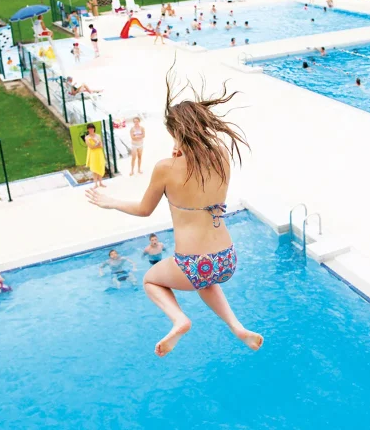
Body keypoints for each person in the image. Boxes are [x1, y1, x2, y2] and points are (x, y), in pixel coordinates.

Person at [85, 66, 263, 357]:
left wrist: (112, 202)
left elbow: (144, 210)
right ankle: (237, 326)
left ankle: (179, 319)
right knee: (206, 282)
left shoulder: (165, 168)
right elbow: (200, 165)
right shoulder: (222, 157)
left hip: (192, 263)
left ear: (177, 134)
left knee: (151, 280)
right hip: (227, 258)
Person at [85, 124, 106, 189]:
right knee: (94, 168)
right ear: (88, 130)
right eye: (89, 129)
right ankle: (95, 183)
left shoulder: (98, 136)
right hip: (93, 154)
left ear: (94, 129)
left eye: (92, 128)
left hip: (99, 153)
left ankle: (100, 182)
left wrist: (95, 143)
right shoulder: (87, 137)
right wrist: (97, 144)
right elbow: (91, 147)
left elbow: (101, 145)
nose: (91, 130)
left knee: (100, 166)